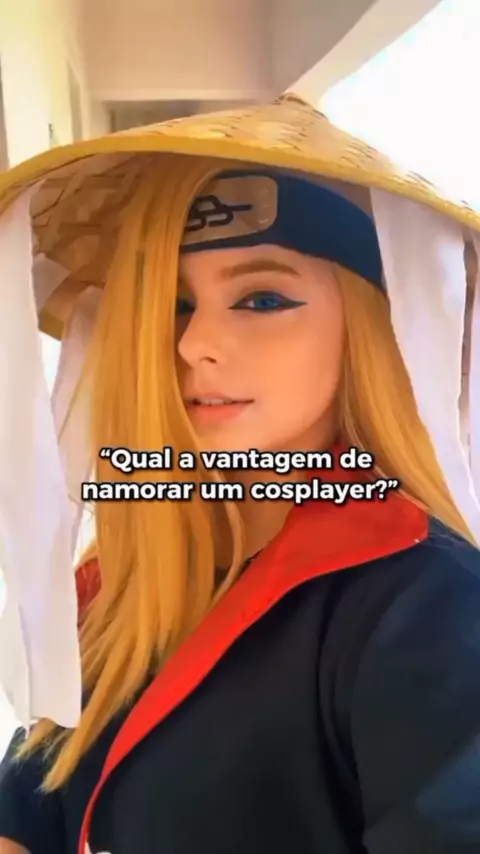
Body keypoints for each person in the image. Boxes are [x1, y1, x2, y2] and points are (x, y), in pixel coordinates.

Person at [0, 94, 480, 854]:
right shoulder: (114, 589)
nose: (193, 344)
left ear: (371, 329)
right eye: (173, 304)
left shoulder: (431, 604)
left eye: (262, 298)